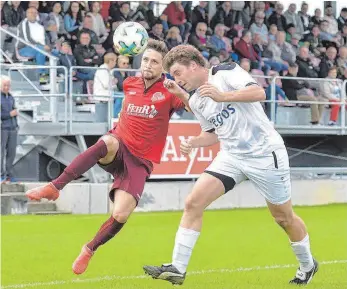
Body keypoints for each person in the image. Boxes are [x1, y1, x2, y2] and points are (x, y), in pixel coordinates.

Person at [143, 45, 319, 286]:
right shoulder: (196, 100)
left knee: (283, 218)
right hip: (232, 157)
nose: (177, 79)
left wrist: (223, 96)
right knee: (193, 202)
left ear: (193, 65)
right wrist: (195, 142)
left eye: (178, 72)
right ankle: (177, 268)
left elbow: (259, 93)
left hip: (265, 154)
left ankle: (308, 265)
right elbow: (213, 134)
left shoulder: (225, 72)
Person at [25, 39, 189, 275]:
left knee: (121, 214)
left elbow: (194, 108)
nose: (148, 65)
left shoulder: (169, 91)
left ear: (163, 67)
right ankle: (55, 186)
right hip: (119, 145)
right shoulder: (129, 83)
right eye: (145, 59)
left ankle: (90, 248)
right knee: (107, 141)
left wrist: (182, 92)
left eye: (155, 62)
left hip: (140, 162)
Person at [1, 75, 18, 183]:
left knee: (11, 153)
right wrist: (10, 114)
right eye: (5, 85)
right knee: (1, 153)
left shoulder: (11, 97)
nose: (7, 87)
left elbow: (14, 111)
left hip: (12, 128)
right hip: (2, 128)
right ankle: (1, 174)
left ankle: (9, 174)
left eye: (8, 85)